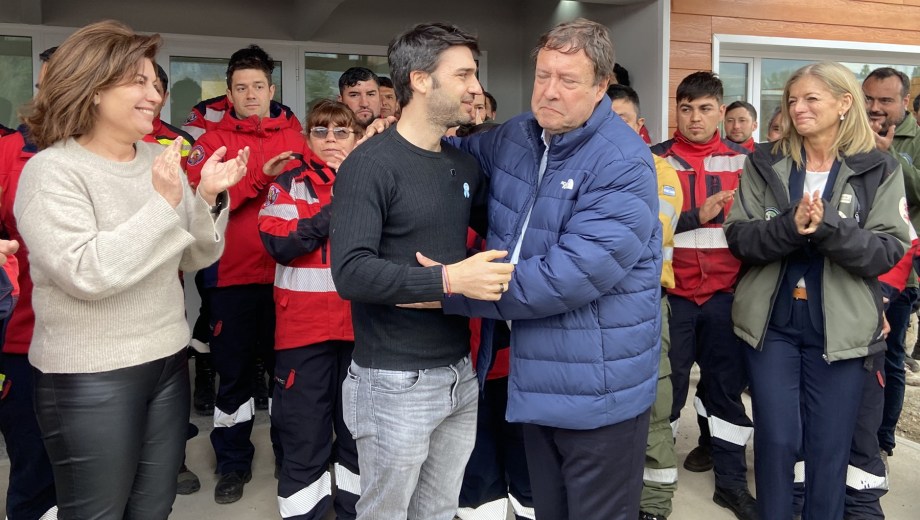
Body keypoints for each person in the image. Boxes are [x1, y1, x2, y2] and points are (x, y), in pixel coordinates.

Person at [14, 19, 245, 519]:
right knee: (98, 511)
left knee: (152, 507)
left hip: (165, 360)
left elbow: (193, 255)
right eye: (137, 82)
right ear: (93, 90)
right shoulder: (51, 172)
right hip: (89, 375)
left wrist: (205, 197)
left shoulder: (158, 160)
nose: (154, 95)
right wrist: (164, 208)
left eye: (155, 83)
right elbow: (87, 273)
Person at [436, 19, 661, 519]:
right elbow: (450, 158)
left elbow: (566, 277)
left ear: (602, 86)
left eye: (569, 80)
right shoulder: (518, 134)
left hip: (599, 388)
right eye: (543, 76)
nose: (549, 92)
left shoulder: (624, 163)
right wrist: (406, 135)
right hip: (537, 378)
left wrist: (447, 288)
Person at [330, 22, 513, 520]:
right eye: (464, 75)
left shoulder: (462, 165)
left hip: (459, 374)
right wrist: (449, 281)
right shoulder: (369, 165)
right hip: (391, 382)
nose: (476, 88)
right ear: (420, 80)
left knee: (437, 512)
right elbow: (350, 273)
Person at [724, 61, 909, 519]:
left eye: (811, 99)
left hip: (841, 331)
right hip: (774, 326)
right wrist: (791, 226)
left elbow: (888, 249)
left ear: (845, 103)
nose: (798, 108)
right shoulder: (764, 162)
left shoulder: (879, 168)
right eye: (792, 99)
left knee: (829, 449)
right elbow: (740, 237)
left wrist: (829, 227)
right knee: (779, 439)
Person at [185, 44, 305, 505]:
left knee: (284, 378)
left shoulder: (296, 137)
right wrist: (257, 179)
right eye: (241, 88)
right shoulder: (212, 143)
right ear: (229, 95)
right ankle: (232, 464)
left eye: (258, 86)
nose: (250, 94)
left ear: (272, 89)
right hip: (231, 281)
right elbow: (200, 194)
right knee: (232, 379)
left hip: (286, 279)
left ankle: (287, 455)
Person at [650, 71, 756, 519]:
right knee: (665, 399)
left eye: (705, 108)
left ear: (721, 110)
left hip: (724, 298)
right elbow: (641, 231)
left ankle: (731, 484)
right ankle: (655, 492)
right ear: (676, 109)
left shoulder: (746, 163)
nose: (695, 118)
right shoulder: (651, 160)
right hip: (671, 298)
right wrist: (696, 216)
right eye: (686, 108)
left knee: (726, 395)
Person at [257, 99, 361, 520]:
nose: (331, 139)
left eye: (341, 131)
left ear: (356, 138)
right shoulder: (288, 183)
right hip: (304, 333)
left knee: (359, 439)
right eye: (321, 131)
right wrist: (336, 210)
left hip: (363, 331)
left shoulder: (374, 180)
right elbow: (281, 243)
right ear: (308, 138)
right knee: (305, 440)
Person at [609, 83, 683, 520]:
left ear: (639, 126)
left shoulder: (662, 172)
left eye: (621, 119)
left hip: (644, 306)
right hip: (590, 312)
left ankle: (653, 506)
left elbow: (633, 236)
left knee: (653, 408)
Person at [0, 44, 59, 520]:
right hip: (24, 343)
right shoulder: (6, 154)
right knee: (34, 470)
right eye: (43, 87)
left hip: (103, 348)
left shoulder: (133, 156)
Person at [863, 67, 920, 460]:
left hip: (901, 269)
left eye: (885, 100)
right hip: (853, 262)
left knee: (890, 356)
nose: (876, 107)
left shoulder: (913, 140)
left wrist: (890, 156)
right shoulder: (850, 129)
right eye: (869, 98)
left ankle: (882, 440)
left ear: (904, 102)